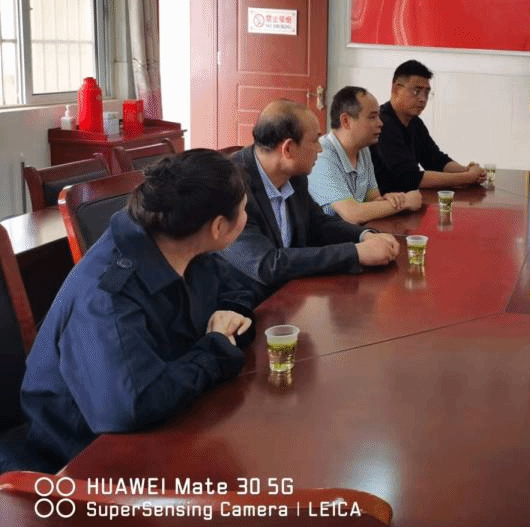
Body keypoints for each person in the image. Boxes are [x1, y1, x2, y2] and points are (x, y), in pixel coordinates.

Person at [10, 150, 257, 472]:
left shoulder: (180, 240)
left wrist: (230, 313)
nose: (247, 216)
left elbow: (236, 289)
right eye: (244, 210)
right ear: (219, 227)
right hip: (81, 460)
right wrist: (215, 350)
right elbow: (130, 407)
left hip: (169, 424)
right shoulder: (107, 298)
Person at [221, 99, 399, 302]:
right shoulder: (231, 186)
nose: (320, 149)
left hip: (289, 293)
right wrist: (355, 253)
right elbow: (267, 264)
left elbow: (318, 223)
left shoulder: (294, 174)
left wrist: (364, 236)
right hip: (243, 305)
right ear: (288, 149)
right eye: (315, 140)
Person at [308, 86, 422, 224]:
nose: (380, 123)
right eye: (372, 117)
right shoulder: (322, 155)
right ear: (346, 121)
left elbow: (373, 199)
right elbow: (352, 214)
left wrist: (392, 199)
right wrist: (405, 202)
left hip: (353, 233)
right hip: (327, 236)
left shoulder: (363, 149)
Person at [370, 60, 487, 194]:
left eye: (426, 93)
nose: (423, 99)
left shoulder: (415, 122)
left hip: (407, 199)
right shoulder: (383, 124)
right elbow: (412, 178)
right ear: (396, 89)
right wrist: (467, 177)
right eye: (416, 91)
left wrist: (467, 171)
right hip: (384, 201)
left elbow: (435, 160)